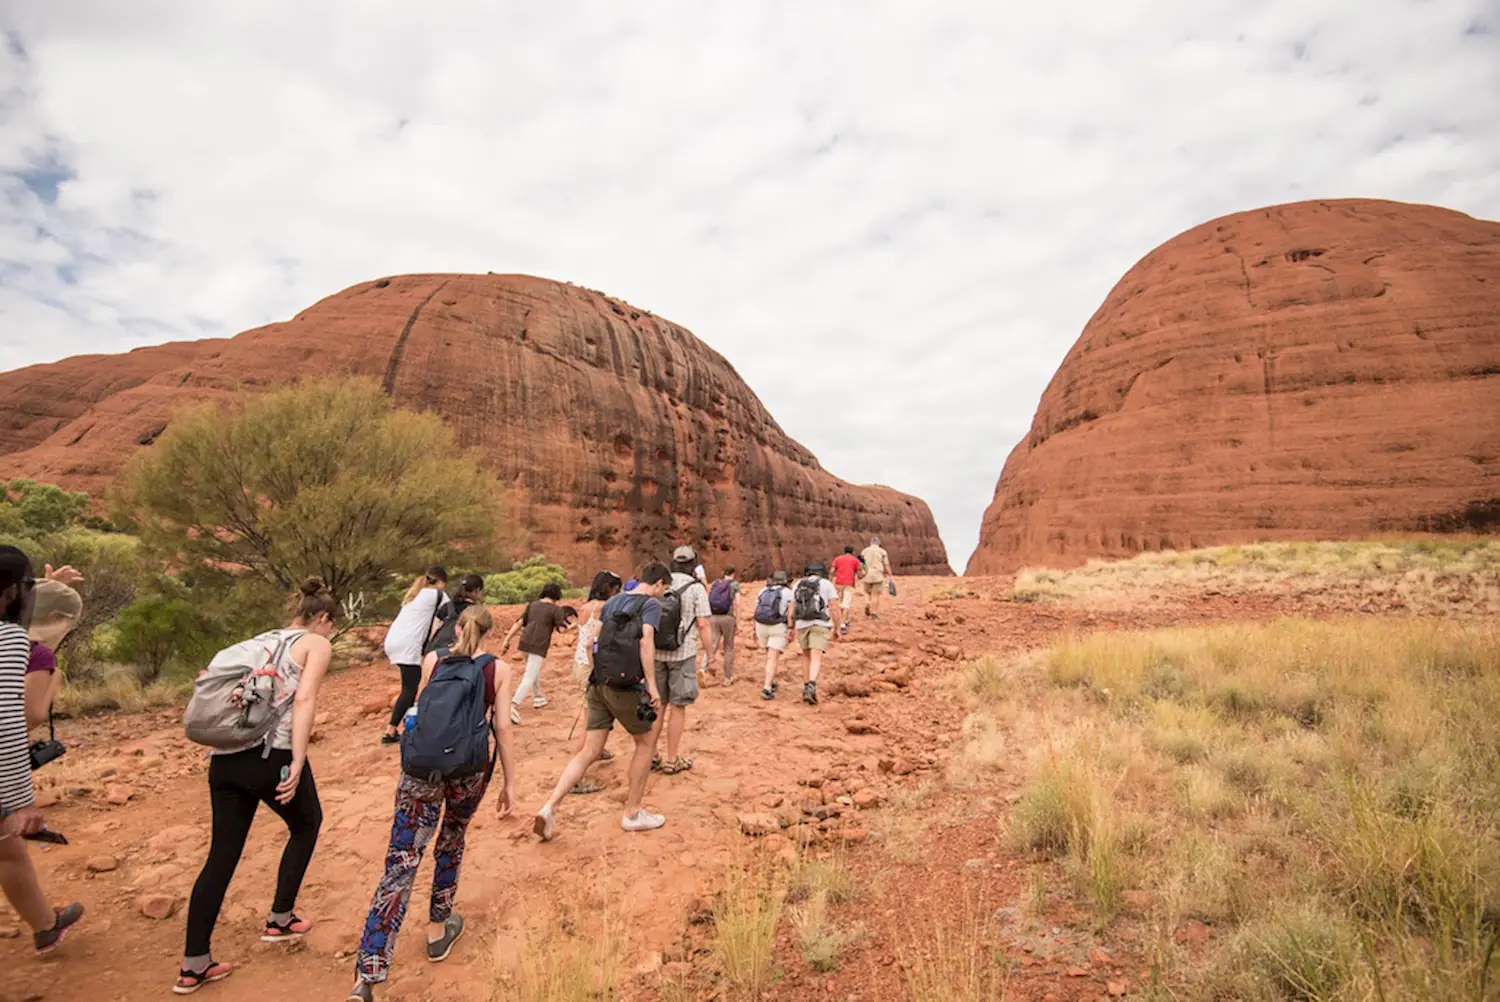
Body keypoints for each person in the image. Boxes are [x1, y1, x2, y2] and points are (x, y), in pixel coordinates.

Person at [176, 578, 337, 994]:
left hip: (225, 760)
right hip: (272, 756)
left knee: (221, 856)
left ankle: (194, 964)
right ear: (322, 618)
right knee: (307, 823)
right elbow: (304, 700)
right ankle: (280, 918)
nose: (330, 634)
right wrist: (298, 759)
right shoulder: (315, 643)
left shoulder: (255, 643)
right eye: (331, 626)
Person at [348, 606, 516, 1001]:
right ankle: (438, 932)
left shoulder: (433, 660)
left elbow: (421, 712)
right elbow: (503, 728)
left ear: (456, 628)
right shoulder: (498, 670)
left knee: (400, 865)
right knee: (451, 842)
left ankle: (367, 976)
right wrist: (510, 781)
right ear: (489, 633)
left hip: (420, 775)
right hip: (468, 772)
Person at [533, 565, 670, 840]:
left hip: (599, 683)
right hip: (626, 685)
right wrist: (652, 686)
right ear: (657, 583)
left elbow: (590, 642)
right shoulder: (651, 604)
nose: (664, 593)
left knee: (588, 751)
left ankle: (550, 806)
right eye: (665, 588)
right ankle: (632, 812)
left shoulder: (613, 602)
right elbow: (646, 642)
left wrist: (598, 675)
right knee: (645, 743)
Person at [0, 546, 85, 957]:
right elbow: (23, 718)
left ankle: (46, 926)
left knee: (9, 852)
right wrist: (20, 801)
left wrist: (53, 588)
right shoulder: (21, 643)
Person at [653, 547, 713, 775]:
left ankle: (650, 755)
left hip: (656, 653)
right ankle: (671, 759)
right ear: (693, 564)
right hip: (683, 654)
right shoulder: (696, 589)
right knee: (678, 707)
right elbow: (704, 625)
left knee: (657, 706)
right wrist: (711, 655)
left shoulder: (661, 584)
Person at [381, 567, 450, 744]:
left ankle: (403, 726)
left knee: (410, 685)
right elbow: (451, 613)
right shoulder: (437, 595)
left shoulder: (415, 596)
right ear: (441, 582)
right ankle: (392, 730)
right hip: (408, 645)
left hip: (394, 641)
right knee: (410, 689)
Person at [570, 572, 623, 796]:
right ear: (609, 588)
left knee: (590, 715)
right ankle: (576, 778)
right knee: (590, 722)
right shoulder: (605, 607)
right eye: (615, 588)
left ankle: (597, 750)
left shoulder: (585, 606)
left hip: (579, 663)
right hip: (591, 665)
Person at [499, 582, 574, 725]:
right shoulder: (555, 609)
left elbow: (519, 623)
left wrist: (507, 640)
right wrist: (573, 626)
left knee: (533, 671)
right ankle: (513, 705)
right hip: (539, 645)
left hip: (524, 643)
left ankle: (538, 697)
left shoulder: (532, 605)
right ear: (557, 595)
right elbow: (563, 629)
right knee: (529, 676)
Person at [25, 580, 81, 734]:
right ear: (54, 616)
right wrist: (54, 679)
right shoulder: (39, 654)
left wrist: (47, 592)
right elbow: (31, 717)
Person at [792, 562, 841, 705]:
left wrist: (791, 626)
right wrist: (837, 627)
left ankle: (806, 685)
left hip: (802, 624)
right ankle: (812, 685)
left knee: (805, 656)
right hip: (820, 623)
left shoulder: (798, 584)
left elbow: (792, 606)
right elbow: (834, 606)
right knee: (816, 655)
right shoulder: (826, 584)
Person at [754, 571, 796, 701]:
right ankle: (767, 687)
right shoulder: (788, 593)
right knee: (773, 657)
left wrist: (753, 629)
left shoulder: (763, 591)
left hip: (761, 625)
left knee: (769, 655)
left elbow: (756, 610)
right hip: (778, 626)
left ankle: (771, 680)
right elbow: (790, 613)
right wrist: (790, 628)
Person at [424, 574, 485, 655]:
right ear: (476, 590)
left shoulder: (446, 606)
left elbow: (434, 631)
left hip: (436, 653)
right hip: (457, 655)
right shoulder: (475, 611)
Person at [706, 567, 739, 686]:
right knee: (728, 647)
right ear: (733, 574)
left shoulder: (715, 583)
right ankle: (727, 677)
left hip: (713, 617)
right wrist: (737, 621)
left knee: (712, 644)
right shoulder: (734, 585)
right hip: (728, 617)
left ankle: (703, 670)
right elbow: (737, 604)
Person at [830, 546, 863, 636]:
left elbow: (832, 571)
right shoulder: (855, 560)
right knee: (846, 604)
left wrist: (830, 580)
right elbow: (860, 575)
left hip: (838, 583)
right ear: (852, 552)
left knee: (838, 603)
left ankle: (837, 621)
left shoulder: (837, 559)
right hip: (849, 583)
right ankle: (843, 624)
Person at [859, 537, 894, 618]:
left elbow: (861, 563)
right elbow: (886, 564)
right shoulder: (882, 551)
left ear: (870, 543)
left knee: (867, 592)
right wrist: (890, 574)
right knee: (875, 595)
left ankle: (867, 603)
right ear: (879, 543)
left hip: (866, 574)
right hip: (878, 575)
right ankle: (874, 613)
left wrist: (863, 571)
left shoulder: (864, 551)